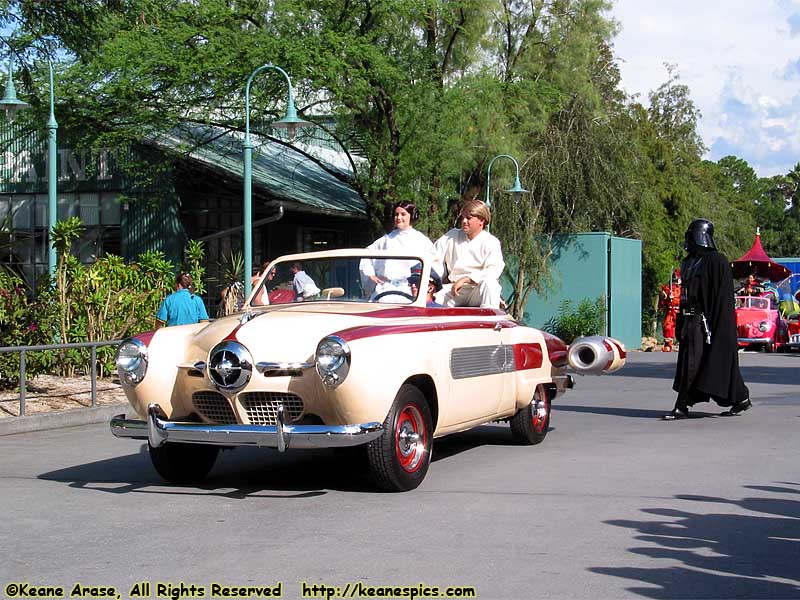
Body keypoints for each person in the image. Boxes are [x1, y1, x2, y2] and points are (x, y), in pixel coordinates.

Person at [664, 219, 751, 420]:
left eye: (691, 235)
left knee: (696, 362)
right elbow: (685, 295)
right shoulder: (688, 263)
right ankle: (741, 398)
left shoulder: (716, 261)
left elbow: (722, 298)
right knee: (694, 360)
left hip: (705, 321)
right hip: (689, 319)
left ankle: (682, 405)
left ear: (700, 236)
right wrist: (680, 320)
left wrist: (720, 328)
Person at [432, 199, 504, 308]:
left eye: (469, 218)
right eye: (463, 217)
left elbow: (494, 270)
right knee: (432, 298)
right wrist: (431, 282)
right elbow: (434, 258)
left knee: (491, 285)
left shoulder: (491, 242)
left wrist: (467, 279)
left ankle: (489, 321)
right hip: (454, 289)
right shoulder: (451, 236)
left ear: (481, 220)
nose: (464, 221)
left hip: (477, 289)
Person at [360, 200, 435, 299]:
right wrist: (370, 274)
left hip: (410, 291)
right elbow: (366, 255)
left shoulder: (422, 241)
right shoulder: (385, 240)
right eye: (396, 214)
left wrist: (422, 286)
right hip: (384, 290)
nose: (399, 217)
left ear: (412, 216)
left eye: (403, 214)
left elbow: (434, 265)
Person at [657, 269, 681, 352]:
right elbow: (662, 304)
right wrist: (665, 297)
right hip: (671, 312)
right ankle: (668, 345)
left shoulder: (684, 289)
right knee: (668, 327)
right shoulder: (667, 289)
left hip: (682, 312)